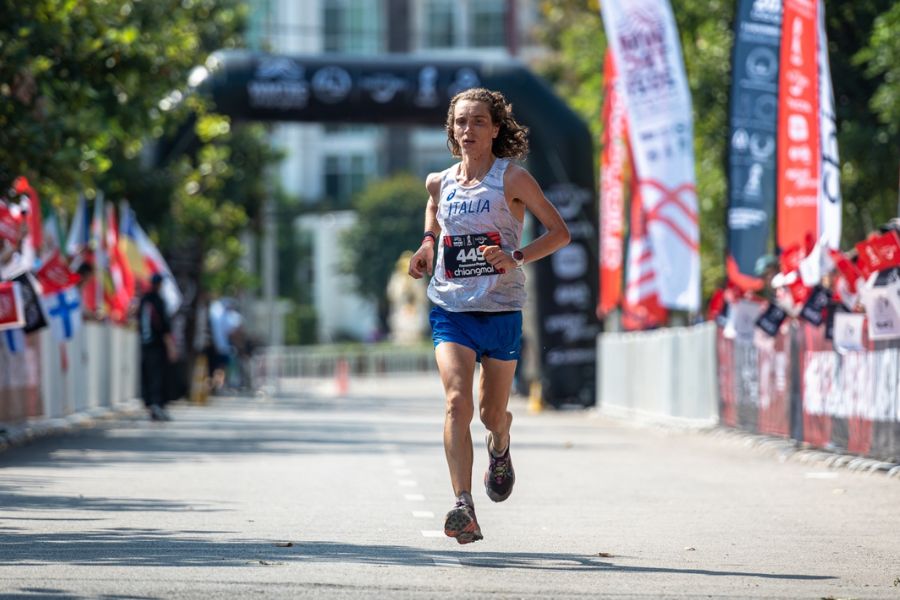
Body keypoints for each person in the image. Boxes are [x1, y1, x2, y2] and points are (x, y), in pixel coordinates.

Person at [408, 88, 570, 544]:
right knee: (457, 402)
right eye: (461, 122)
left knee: (490, 413)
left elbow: (560, 233)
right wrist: (426, 242)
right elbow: (435, 210)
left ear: (495, 129)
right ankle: (463, 504)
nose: (468, 130)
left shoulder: (512, 179)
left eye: (478, 122)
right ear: (451, 129)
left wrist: (514, 255)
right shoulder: (439, 181)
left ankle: (500, 445)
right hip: (451, 308)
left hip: (500, 310)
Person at [139, 273, 176, 421]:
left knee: (147, 375)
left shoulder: (144, 300)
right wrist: (171, 347)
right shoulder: (159, 301)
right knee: (158, 376)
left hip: (145, 344)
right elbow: (165, 327)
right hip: (157, 345)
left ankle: (151, 406)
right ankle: (157, 404)